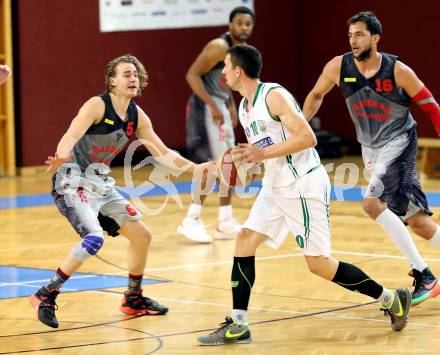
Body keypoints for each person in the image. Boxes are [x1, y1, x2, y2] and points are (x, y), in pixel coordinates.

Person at [197, 44, 411, 346]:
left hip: (302, 186)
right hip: (275, 185)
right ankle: (238, 323)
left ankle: (390, 299)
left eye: (225, 66)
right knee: (244, 240)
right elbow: (263, 151)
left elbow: (307, 138)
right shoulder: (245, 107)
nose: (222, 72)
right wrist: (237, 164)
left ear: (238, 70)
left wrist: (262, 153)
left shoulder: (273, 95)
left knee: (319, 264)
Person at [29, 54, 214, 328]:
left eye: (136, 75)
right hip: (72, 179)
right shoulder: (96, 105)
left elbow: (161, 152)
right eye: (126, 74)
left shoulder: (137, 116)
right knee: (93, 240)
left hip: (100, 183)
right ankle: (45, 294)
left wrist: (195, 168)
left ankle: (133, 298)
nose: (133, 79)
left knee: (141, 236)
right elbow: (72, 132)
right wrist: (62, 152)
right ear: (112, 81)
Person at [302, 11, 440, 306]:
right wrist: (301, 125)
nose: (353, 40)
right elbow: (315, 95)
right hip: (371, 149)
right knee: (417, 222)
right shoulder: (339, 67)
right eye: (350, 35)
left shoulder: (397, 70)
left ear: (375, 38)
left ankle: (424, 274)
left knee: (371, 203)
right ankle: (426, 275)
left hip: (399, 143)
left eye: (360, 34)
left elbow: (431, 107)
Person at [178, 6, 255, 243]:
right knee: (212, 165)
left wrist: (230, 104)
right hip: (205, 109)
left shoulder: (239, 51)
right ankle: (191, 220)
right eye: (239, 23)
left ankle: (225, 221)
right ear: (230, 24)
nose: (244, 27)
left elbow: (225, 82)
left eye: (248, 24)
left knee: (227, 164)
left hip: (219, 106)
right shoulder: (219, 47)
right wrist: (212, 105)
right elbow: (192, 74)